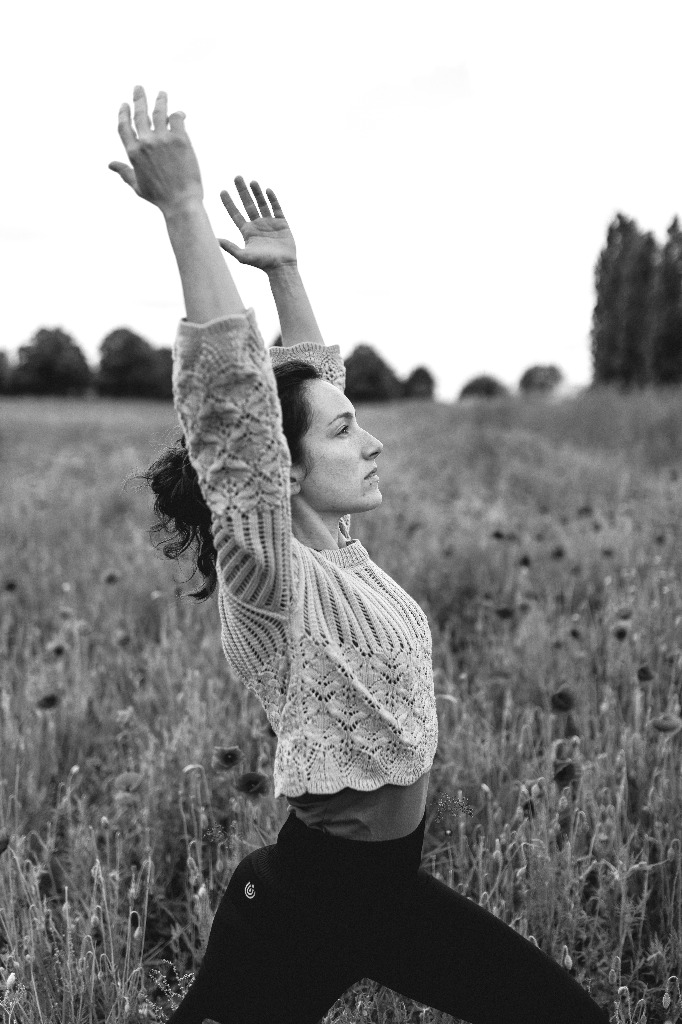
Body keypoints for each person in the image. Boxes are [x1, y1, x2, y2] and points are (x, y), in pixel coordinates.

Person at [109, 86, 610, 1024]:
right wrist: (184, 210)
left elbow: (307, 387)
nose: (371, 443)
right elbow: (237, 413)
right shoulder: (272, 575)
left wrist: (286, 274)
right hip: (304, 907)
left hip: (384, 895)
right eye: (345, 433)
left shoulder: (335, 544)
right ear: (286, 474)